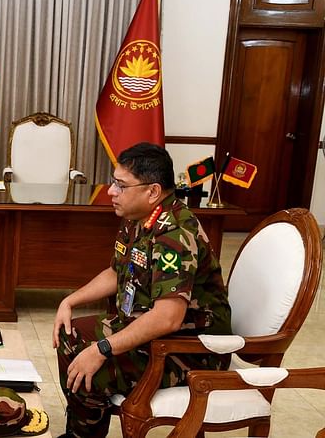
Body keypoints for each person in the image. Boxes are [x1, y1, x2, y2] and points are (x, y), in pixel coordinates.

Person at [52, 143, 232, 438]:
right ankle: (83, 432)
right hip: (150, 329)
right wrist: (69, 301)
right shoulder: (137, 218)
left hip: (190, 347)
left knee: (93, 368)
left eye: (121, 185)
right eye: (114, 182)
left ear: (152, 191)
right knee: (68, 335)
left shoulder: (174, 232)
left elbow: (168, 318)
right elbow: (116, 272)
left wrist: (102, 349)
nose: (111, 191)